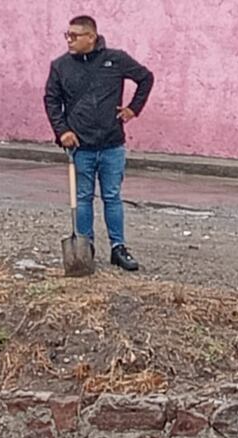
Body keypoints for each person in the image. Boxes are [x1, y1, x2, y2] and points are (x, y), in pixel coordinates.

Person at [44, 15, 154, 271]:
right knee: (83, 197)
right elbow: (51, 100)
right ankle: (86, 247)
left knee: (112, 197)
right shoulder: (60, 66)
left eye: (75, 36)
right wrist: (62, 131)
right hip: (80, 145)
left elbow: (146, 78)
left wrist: (133, 109)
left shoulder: (115, 59)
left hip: (111, 143)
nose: (69, 40)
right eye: (67, 35)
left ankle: (118, 248)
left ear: (91, 37)